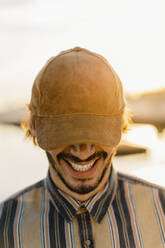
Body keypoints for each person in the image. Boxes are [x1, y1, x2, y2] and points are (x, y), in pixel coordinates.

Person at [0, 47, 165, 248]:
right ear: (33, 125)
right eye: (66, 134)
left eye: (96, 133)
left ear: (122, 123)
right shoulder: (5, 227)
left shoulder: (162, 210)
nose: (83, 152)